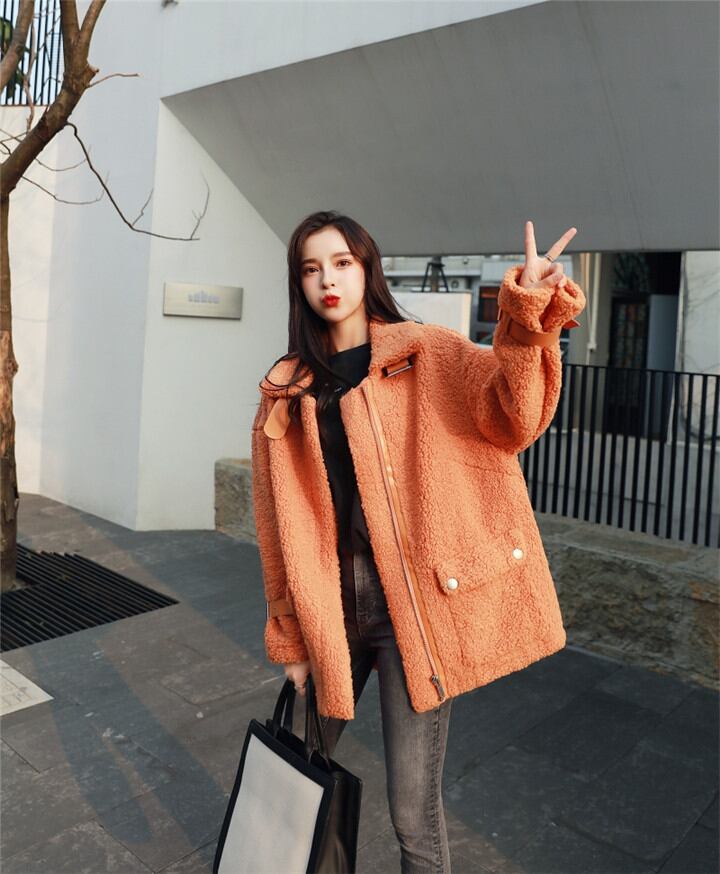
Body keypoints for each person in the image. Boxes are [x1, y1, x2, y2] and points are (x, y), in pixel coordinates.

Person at [251, 210, 586, 873]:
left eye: (341, 263)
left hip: (412, 609)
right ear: (299, 284)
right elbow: (274, 529)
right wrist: (289, 636)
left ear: (367, 269)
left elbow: (512, 416)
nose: (327, 280)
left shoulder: (425, 353)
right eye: (311, 269)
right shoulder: (286, 389)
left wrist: (525, 315)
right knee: (295, 779)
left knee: (413, 814)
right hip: (329, 608)